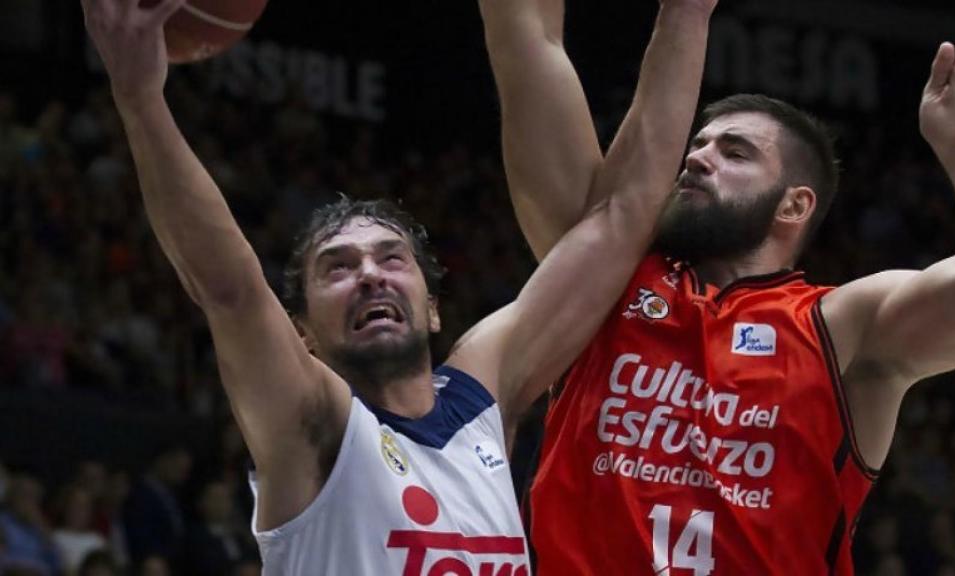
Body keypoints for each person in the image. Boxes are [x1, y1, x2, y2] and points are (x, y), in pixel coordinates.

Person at [79, 0, 716, 573]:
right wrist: (141, 101)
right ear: (299, 333)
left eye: (391, 258)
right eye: (337, 267)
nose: (368, 274)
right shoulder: (313, 425)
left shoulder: (480, 398)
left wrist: (686, 15)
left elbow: (620, 216)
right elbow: (228, 289)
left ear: (433, 308)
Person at [482, 0, 955, 573]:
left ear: (794, 204)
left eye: (734, 152)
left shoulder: (841, 325)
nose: (696, 159)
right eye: (698, 145)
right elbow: (528, 44)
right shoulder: (602, 281)